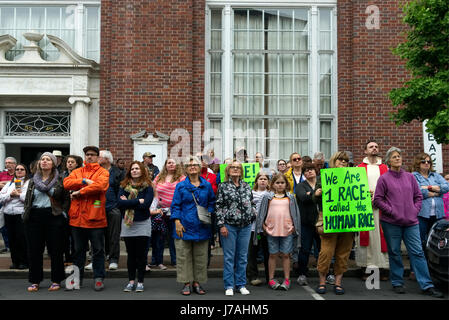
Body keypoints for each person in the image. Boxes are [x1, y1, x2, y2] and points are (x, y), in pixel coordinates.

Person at [374, 147, 444, 298]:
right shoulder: (384, 178)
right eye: (394, 157)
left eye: (399, 156)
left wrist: (414, 210)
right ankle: (397, 282)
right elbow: (378, 199)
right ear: (388, 161)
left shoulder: (409, 177)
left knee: (417, 252)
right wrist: (392, 211)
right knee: (394, 252)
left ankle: (427, 285)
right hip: (391, 222)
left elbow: (418, 196)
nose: (398, 158)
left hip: (411, 222)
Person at [63, 146, 109, 291]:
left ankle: (98, 278)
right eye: (87, 154)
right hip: (77, 219)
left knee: (98, 251)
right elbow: (66, 183)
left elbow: (100, 187)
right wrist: (84, 181)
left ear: (98, 157)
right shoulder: (77, 172)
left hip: (95, 219)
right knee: (78, 251)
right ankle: (77, 279)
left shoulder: (103, 172)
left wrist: (79, 192)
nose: (89, 157)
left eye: (92, 155)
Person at [22, 152, 70, 292]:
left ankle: (56, 280)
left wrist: (64, 212)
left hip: (54, 215)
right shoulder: (32, 180)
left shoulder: (61, 179)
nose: (44, 161)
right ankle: (35, 281)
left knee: (55, 250)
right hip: (35, 216)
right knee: (34, 250)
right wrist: (26, 214)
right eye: (42, 159)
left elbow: (66, 199)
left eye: (48, 159)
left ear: (54, 163)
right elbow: (28, 199)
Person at [170, 156, 216, 296]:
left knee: (201, 257)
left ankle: (197, 282)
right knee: (184, 256)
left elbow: (212, 202)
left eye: (195, 164)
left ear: (199, 167)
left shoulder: (207, 185)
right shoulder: (181, 186)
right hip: (183, 226)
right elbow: (175, 205)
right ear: (186, 169)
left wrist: (208, 213)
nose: (192, 167)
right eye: (189, 165)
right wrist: (177, 221)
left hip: (202, 226)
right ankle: (186, 283)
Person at [315, 151, 354, 295]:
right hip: (329, 219)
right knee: (326, 252)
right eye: (340, 160)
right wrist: (317, 194)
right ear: (333, 161)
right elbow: (315, 200)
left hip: (348, 221)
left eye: (345, 161)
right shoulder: (324, 177)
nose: (343, 162)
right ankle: (322, 282)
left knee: (343, 253)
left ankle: (338, 283)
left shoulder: (354, 177)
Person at [216, 160, 255, 296]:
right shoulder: (223, 186)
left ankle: (241, 284)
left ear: (241, 171)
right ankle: (229, 285)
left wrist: (252, 214)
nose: (235, 169)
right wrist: (221, 225)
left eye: (238, 167)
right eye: (232, 167)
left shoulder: (246, 185)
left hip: (245, 226)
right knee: (229, 257)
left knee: (243, 256)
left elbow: (251, 202)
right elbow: (219, 206)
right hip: (229, 226)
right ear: (228, 170)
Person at [255, 173, 301, 291]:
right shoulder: (268, 197)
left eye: (282, 183)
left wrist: (294, 227)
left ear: (286, 184)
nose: (280, 185)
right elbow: (261, 213)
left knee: (286, 255)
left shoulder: (290, 197)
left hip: (287, 230)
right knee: (272, 254)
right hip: (271, 230)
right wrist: (263, 227)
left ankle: (287, 279)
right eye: (277, 183)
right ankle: (271, 278)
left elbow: (295, 214)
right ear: (273, 184)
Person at [118, 161, 154, 292]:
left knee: (141, 255)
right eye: (132, 169)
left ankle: (140, 282)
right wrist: (137, 201)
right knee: (131, 254)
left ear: (142, 171)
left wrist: (128, 202)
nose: (134, 170)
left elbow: (146, 205)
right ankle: (131, 281)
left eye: (137, 168)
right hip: (128, 224)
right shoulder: (123, 185)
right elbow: (120, 203)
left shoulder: (148, 186)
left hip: (143, 223)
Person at [356, 141, 389, 280]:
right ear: (365, 151)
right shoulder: (359, 168)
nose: (374, 148)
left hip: (381, 208)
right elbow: (355, 188)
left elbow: (390, 187)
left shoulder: (385, 168)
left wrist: (380, 200)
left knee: (380, 237)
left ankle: (382, 268)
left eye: (376, 146)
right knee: (367, 237)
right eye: (371, 146)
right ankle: (366, 268)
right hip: (365, 208)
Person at [150, 158, 186, 269]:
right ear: (165, 165)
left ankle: (175, 260)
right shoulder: (159, 177)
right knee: (159, 237)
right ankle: (156, 260)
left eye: (173, 162)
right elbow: (153, 190)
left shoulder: (182, 178)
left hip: (175, 211)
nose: (171, 164)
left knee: (174, 236)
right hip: (160, 211)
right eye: (168, 162)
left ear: (177, 165)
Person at [411, 153, 449, 254]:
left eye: (429, 161)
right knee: (420, 241)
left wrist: (428, 187)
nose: (426, 163)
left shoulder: (436, 175)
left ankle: (434, 264)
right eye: (423, 161)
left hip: (438, 215)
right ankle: (419, 266)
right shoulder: (413, 176)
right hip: (422, 214)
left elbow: (446, 187)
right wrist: (436, 191)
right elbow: (417, 191)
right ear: (418, 163)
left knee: (438, 241)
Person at [295, 162, 321, 286]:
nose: (309, 172)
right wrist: (314, 194)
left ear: (316, 171)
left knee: (323, 249)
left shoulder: (323, 182)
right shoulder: (301, 186)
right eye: (306, 170)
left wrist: (311, 194)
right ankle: (302, 274)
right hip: (307, 222)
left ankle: (327, 273)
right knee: (305, 249)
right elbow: (302, 198)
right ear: (304, 174)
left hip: (322, 222)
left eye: (311, 169)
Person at [99, 150, 125, 271]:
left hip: (113, 207)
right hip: (98, 206)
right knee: (98, 235)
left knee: (114, 235)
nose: (97, 158)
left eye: (100, 157)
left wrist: (117, 205)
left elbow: (121, 191)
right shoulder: (96, 172)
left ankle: (113, 259)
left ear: (107, 159)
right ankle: (98, 259)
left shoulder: (118, 173)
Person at [0, 164, 30, 269]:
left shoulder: (28, 183)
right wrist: (10, 196)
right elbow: (1, 197)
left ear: (26, 171)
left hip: (20, 213)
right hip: (8, 213)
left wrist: (18, 195)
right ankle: (15, 262)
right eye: (17, 169)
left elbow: (28, 198)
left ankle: (24, 262)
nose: (19, 171)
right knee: (11, 238)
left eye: (22, 169)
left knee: (21, 238)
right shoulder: (9, 184)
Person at [246, 172, 270, 286]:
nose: (263, 181)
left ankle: (270, 276)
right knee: (252, 253)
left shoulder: (271, 194)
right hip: (253, 229)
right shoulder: (250, 193)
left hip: (267, 229)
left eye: (265, 179)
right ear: (256, 181)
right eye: (261, 178)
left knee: (268, 253)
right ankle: (253, 276)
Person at [61, 155, 83, 267]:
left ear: (77, 164)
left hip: (77, 206)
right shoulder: (62, 175)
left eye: (72, 162)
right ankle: (67, 257)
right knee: (64, 235)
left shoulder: (80, 175)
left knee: (75, 235)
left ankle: (76, 257)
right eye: (68, 162)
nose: (69, 164)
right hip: (64, 207)